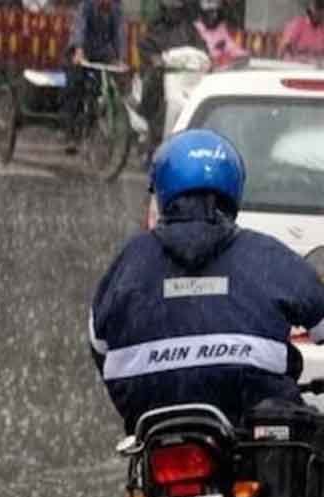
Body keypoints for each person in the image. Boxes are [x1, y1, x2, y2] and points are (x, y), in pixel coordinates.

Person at [90, 128, 324, 434]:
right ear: (233, 189)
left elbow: (99, 342)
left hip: (155, 423)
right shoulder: (267, 255)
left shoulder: (129, 261)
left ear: (162, 191)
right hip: (256, 428)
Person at [137, 0, 207, 161]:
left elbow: (202, 49)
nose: (173, 12)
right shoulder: (155, 28)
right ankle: (153, 148)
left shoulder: (189, 29)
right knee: (157, 108)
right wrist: (155, 59)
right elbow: (145, 47)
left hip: (185, 79)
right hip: (161, 79)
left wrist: (201, 58)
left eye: (176, 9)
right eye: (170, 8)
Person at [62, 0, 127, 153]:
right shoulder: (87, 5)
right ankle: (71, 134)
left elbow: (119, 33)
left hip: (101, 55)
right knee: (74, 89)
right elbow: (80, 27)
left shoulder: (116, 9)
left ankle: (95, 125)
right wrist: (79, 49)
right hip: (80, 53)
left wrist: (120, 58)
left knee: (101, 89)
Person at [194, 0, 249, 69]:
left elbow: (236, 51)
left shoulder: (222, 26)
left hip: (225, 62)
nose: (213, 16)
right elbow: (199, 51)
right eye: (210, 13)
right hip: (210, 61)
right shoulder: (197, 28)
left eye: (215, 12)